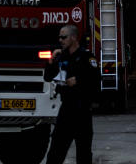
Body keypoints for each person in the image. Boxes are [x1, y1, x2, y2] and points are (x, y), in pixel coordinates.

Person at [43, 24, 100, 164]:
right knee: (55, 151)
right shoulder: (61, 57)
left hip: (82, 110)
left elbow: (96, 79)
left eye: (64, 37)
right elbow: (48, 77)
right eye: (59, 37)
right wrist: (51, 62)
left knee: (83, 153)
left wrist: (78, 80)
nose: (60, 40)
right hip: (66, 109)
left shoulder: (87, 57)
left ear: (74, 37)